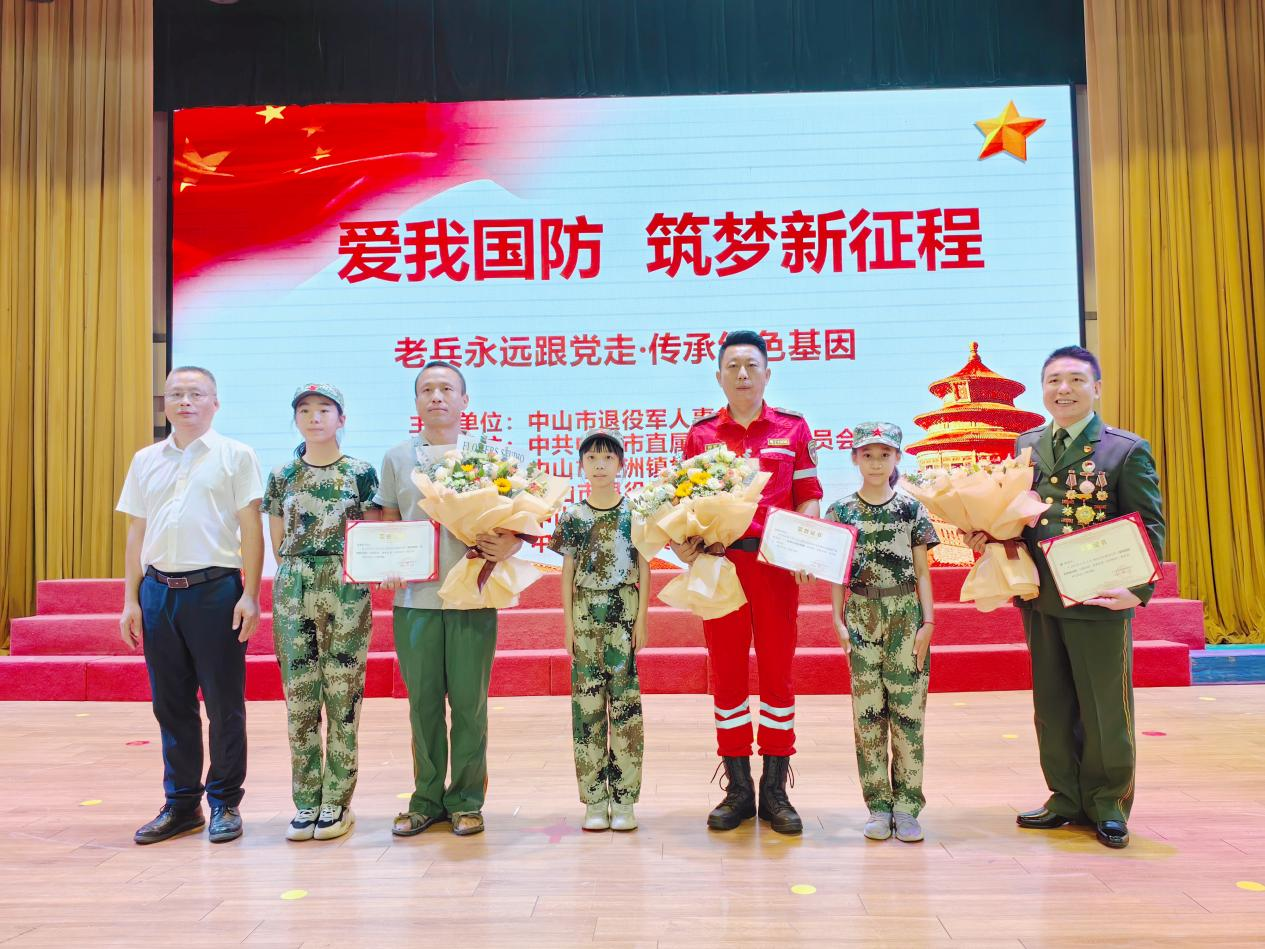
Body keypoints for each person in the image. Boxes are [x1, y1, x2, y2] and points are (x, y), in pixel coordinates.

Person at [971, 346, 1165, 850]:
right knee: (1052, 702)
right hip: (1040, 595)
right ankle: (1065, 796)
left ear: (1096, 388)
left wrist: (1138, 590)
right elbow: (1015, 515)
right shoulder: (1027, 445)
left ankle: (1108, 803)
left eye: (1076, 380)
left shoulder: (1124, 451)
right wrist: (988, 533)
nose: (1064, 389)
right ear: (1042, 389)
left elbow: (1150, 525)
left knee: (1104, 706)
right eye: (1054, 380)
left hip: (1099, 598)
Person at [675, 330, 823, 835]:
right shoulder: (701, 436)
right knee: (728, 674)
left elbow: (808, 495)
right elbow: (684, 503)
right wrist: (683, 543)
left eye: (751, 365)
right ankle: (738, 788)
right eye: (733, 366)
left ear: (767, 373)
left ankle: (775, 789)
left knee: (778, 673)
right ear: (718, 376)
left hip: (775, 566)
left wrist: (805, 546)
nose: (742, 374)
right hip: (721, 565)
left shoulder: (792, 428)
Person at [369, 360, 522, 838]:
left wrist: (509, 543)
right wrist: (384, 561)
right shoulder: (398, 457)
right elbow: (388, 521)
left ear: (464, 400)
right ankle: (426, 800)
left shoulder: (490, 457)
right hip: (415, 600)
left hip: (473, 595)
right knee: (423, 704)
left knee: (470, 705)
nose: (437, 396)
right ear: (416, 401)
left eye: (446, 389)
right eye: (427, 389)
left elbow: (518, 523)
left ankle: (467, 801)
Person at [117, 366, 264, 845]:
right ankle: (182, 805)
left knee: (224, 704)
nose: (185, 402)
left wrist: (250, 594)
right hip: (157, 592)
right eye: (176, 394)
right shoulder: (145, 459)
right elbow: (137, 530)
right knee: (170, 704)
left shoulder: (236, 455)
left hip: (215, 590)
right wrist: (131, 599)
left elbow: (251, 527)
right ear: (164, 403)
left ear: (214, 403)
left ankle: (224, 802)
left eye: (196, 394)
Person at [263, 384, 379, 841]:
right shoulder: (282, 474)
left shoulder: (361, 473)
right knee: (300, 697)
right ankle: (306, 801)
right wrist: (298, 571)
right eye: (305, 411)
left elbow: (373, 534)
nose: (314, 418)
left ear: (341, 418)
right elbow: (277, 539)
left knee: (343, 694)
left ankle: (337, 801)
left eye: (324, 409)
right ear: (296, 419)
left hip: (346, 584)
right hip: (294, 584)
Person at [824, 423, 938, 843]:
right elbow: (837, 572)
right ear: (855, 458)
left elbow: (922, 571)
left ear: (897, 459)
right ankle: (878, 806)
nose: (876, 463)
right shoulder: (840, 512)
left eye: (884, 455)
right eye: (867, 455)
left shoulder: (911, 509)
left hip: (906, 614)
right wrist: (837, 620)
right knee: (868, 715)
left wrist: (929, 623)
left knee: (908, 714)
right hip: (861, 613)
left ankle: (907, 806)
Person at [549, 429, 649, 832]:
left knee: (625, 709)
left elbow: (644, 565)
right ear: (582, 466)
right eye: (592, 458)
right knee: (587, 709)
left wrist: (642, 619)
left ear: (621, 464)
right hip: (585, 615)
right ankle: (594, 800)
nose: (600, 465)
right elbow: (567, 571)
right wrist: (567, 625)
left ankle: (624, 801)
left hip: (624, 612)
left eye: (608, 458)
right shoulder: (574, 516)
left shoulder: (635, 512)